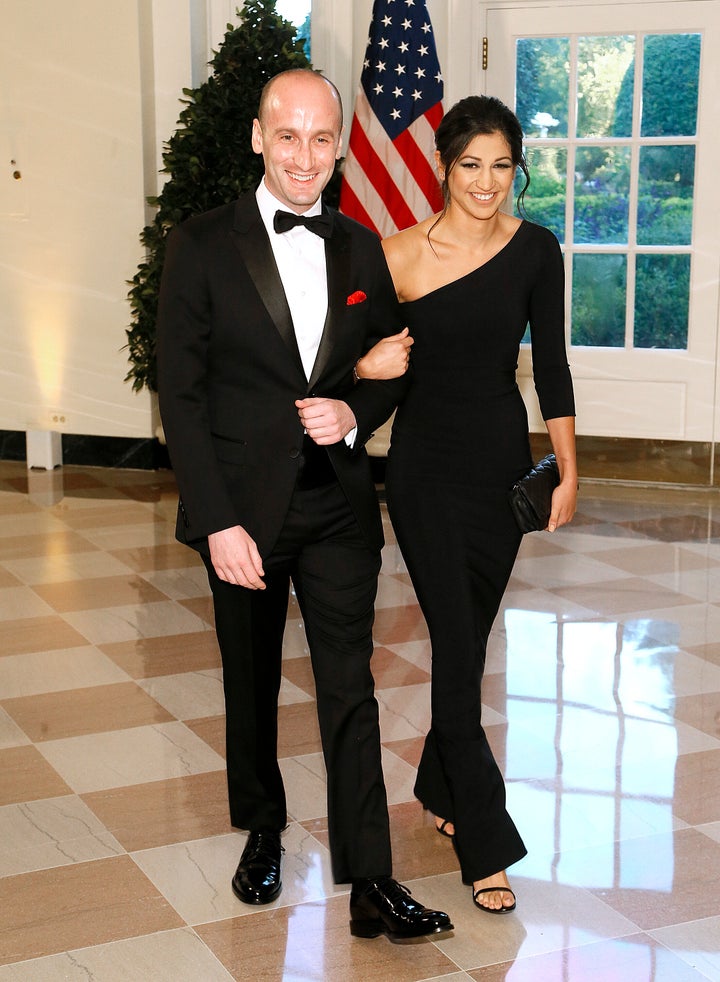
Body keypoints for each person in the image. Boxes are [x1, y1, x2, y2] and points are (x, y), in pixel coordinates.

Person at [155, 68, 451, 942]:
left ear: (339, 147)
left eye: (323, 139)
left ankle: (370, 881)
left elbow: (392, 362)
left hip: (336, 507)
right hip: (242, 510)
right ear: (257, 137)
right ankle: (262, 828)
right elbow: (181, 395)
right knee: (248, 685)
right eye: (288, 136)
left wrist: (355, 411)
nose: (306, 157)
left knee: (350, 689)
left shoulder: (360, 249)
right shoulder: (200, 243)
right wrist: (215, 520)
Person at [356, 94, 577, 914]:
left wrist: (568, 471)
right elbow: (369, 366)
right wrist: (360, 379)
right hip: (423, 475)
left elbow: (550, 368)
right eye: (469, 164)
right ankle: (487, 842)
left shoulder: (536, 250)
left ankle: (437, 784)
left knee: (466, 638)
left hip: (500, 468)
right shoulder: (399, 255)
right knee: (457, 648)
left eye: (500, 166)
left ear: (517, 170)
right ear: (443, 168)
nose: (486, 182)